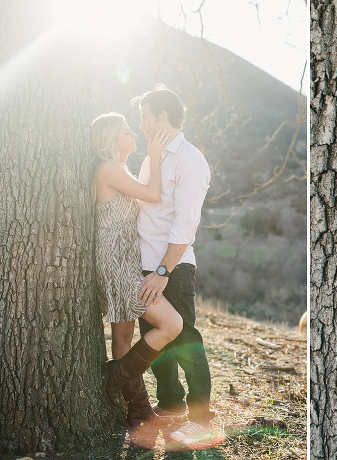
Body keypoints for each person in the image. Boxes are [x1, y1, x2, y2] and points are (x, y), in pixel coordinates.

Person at [131, 85, 220, 448]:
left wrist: (163, 272)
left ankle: (202, 420)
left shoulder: (190, 159)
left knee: (185, 341)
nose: (141, 123)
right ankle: (170, 404)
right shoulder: (152, 156)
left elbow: (185, 225)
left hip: (171, 269)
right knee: (156, 343)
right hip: (141, 266)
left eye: (145, 116)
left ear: (162, 117)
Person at [91, 112, 182, 430]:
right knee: (172, 324)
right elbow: (152, 194)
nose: (134, 135)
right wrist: (155, 156)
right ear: (111, 139)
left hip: (125, 260)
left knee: (124, 335)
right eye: (127, 131)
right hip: (116, 263)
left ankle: (138, 410)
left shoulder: (118, 169)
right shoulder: (107, 168)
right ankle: (114, 376)